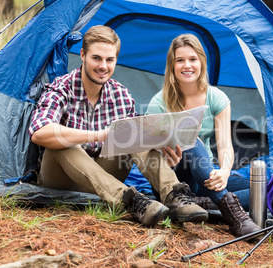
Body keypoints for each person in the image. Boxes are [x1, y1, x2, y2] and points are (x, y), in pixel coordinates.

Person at [28, 25, 208, 228]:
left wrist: (163, 150)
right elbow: (39, 132)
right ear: (82, 55)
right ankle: (132, 202)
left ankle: (174, 195)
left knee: (136, 134)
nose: (103, 66)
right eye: (96, 58)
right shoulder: (61, 88)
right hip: (62, 178)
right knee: (62, 143)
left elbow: (140, 143)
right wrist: (99, 135)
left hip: (106, 174)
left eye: (109, 59)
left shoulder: (121, 94)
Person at [146, 33, 261, 238]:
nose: (187, 65)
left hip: (203, 177)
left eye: (192, 59)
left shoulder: (216, 98)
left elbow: (225, 145)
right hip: (172, 180)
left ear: (202, 62)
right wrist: (166, 156)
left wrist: (225, 171)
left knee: (264, 189)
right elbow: (147, 148)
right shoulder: (159, 103)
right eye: (180, 60)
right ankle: (236, 218)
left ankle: (205, 203)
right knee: (189, 136)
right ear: (172, 66)